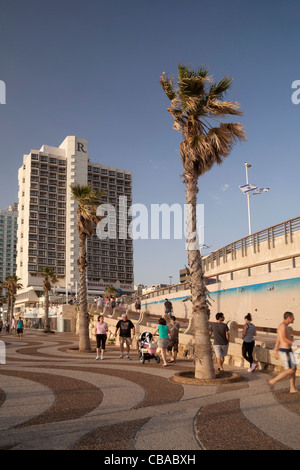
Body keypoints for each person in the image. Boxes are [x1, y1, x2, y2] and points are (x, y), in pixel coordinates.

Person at [268, 311, 299, 394]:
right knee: (291, 370)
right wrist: (296, 344)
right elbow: (284, 339)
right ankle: (273, 380)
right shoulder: (282, 326)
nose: (294, 319)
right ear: (289, 317)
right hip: (285, 351)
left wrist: (275, 351)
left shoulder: (285, 326)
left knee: (294, 369)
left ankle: (292, 388)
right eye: (293, 317)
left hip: (288, 350)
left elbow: (278, 339)